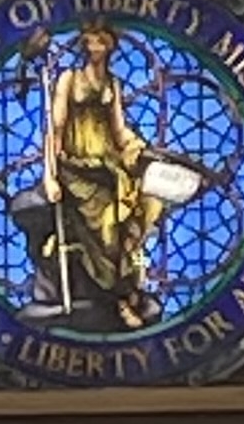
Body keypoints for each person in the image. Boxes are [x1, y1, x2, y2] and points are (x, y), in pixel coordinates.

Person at [42, 23, 165, 331]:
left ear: (111, 47)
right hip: (77, 169)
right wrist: (50, 177)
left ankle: (129, 279)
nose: (94, 47)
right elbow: (55, 130)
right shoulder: (69, 79)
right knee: (107, 226)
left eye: (101, 42)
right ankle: (120, 297)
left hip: (109, 166)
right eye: (89, 42)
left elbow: (119, 128)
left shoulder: (112, 82)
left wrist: (137, 146)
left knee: (147, 205)